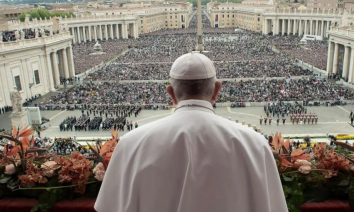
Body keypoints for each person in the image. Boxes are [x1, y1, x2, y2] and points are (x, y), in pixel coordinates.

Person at [95, 53, 287, 212]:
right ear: (216, 90)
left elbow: (108, 206)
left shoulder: (130, 143)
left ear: (171, 93)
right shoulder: (255, 143)